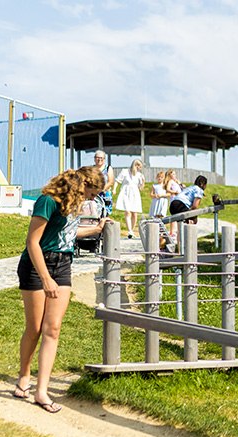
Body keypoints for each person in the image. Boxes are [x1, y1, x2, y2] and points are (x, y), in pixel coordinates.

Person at [14, 166, 110, 414]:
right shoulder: (48, 201)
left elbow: (67, 233)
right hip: (37, 265)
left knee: (52, 328)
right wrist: (45, 278)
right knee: (34, 328)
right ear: (83, 185)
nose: (92, 199)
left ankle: (41, 391)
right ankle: (24, 375)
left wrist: (96, 229)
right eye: (92, 193)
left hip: (63, 264)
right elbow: (32, 242)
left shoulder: (75, 204)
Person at [113, 159, 145, 239]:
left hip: (135, 194)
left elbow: (141, 188)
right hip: (126, 193)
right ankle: (130, 230)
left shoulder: (139, 175)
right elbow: (117, 181)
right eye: (138, 166)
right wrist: (114, 189)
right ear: (135, 165)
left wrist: (143, 182)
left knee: (134, 213)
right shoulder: (125, 171)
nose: (139, 168)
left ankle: (132, 230)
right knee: (127, 212)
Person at [92, 150, 114, 217]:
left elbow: (111, 181)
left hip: (105, 194)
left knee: (105, 213)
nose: (99, 159)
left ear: (104, 159)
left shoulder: (108, 168)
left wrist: (102, 189)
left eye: (101, 158)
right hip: (94, 194)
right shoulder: (92, 169)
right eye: (97, 157)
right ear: (95, 159)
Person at [162, 169, 183, 237]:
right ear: (170, 175)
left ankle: (174, 230)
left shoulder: (175, 182)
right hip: (174, 198)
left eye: (175, 174)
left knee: (177, 215)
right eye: (173, 174)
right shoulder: (170, 181)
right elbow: (167, 189)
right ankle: (172, 231)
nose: (175, 175)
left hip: (178, 198)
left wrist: (180, 184)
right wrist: (174, 192)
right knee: (174, 216)